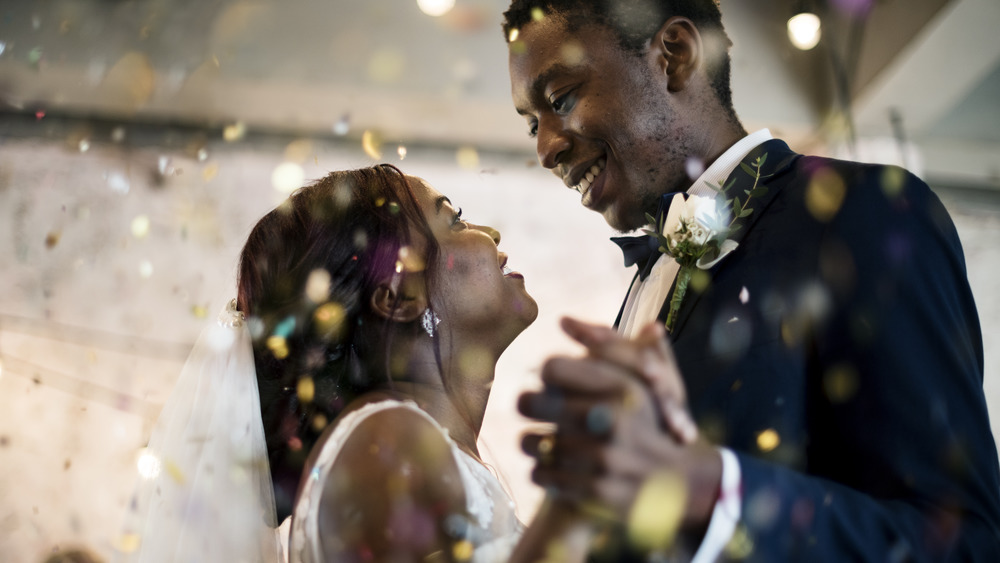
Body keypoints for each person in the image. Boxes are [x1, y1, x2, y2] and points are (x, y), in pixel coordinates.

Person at [503, 1, 1000, 561]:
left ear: (674, 56)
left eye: (561, 99)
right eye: (530, 125)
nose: (545, 148)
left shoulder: (861, 213)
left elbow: (964, 542)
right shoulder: (648, 278)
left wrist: (713, 491)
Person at [119, 164, 588, 563]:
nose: (491, 234)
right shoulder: (387, 447)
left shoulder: (401, 444)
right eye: (455, 221)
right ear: (399, 297)